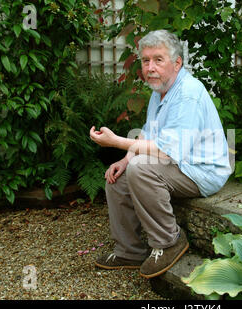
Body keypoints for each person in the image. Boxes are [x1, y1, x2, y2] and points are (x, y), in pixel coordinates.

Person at [89, 30, 232, 279]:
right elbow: (147, 135)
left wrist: (115, 142)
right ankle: (129, 251)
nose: (150, 67)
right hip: (178, 164)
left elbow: (165, 151)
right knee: (117, 176)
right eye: (145, 61)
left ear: (177, 63)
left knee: (141, 168)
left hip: (203, 170)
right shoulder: (160, 91)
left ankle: (169, 241)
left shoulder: (187, 94)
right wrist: (123, 159)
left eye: (158, 59)